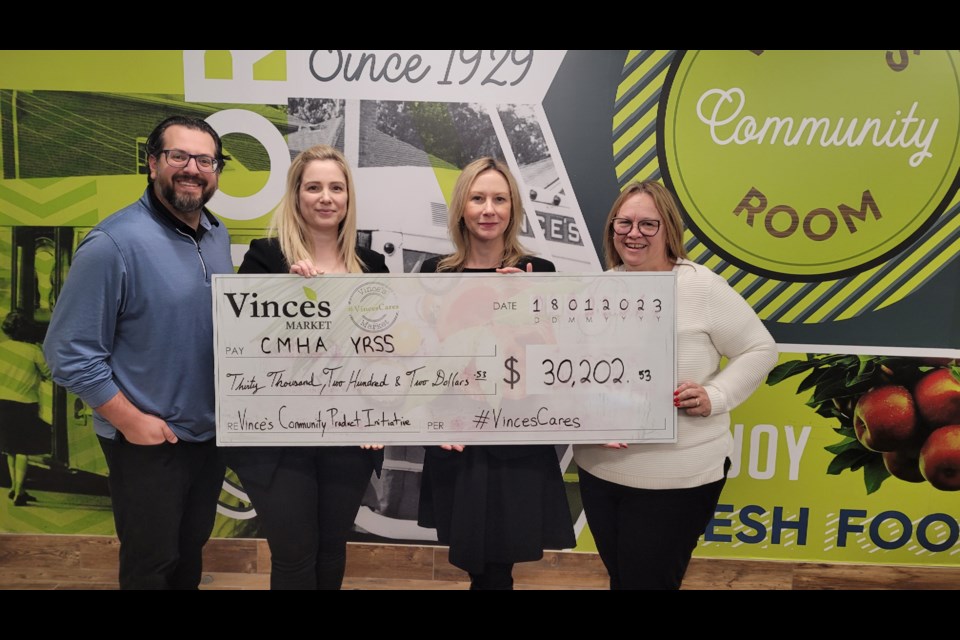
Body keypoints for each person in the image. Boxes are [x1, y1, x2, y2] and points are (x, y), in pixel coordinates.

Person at [43, 116, 233, 589]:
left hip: (207, 436)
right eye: (179, 157)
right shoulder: (113, 244)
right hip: (148, 441)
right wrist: (131, 421)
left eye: (205, 160)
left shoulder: (216, 234)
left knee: (189, 556)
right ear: (152, 164)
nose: (193, 169)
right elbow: (67, 351)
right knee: (151, 565)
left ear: (217, 171)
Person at [573, 180, 778, 590]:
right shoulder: (597, 289)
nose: (634, 233)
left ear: (669, 229)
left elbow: (760, 348)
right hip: (599, 470)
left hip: (676, 478)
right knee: (623, 579)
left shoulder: (700, 287)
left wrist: (715, 396)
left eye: (648, 224)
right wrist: (516, 296)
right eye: (624, 222)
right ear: (611, 228)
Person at [223, 144, 388, 590]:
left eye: (336, 187)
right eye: (313, 187)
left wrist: (380, 415)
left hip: (350, 437)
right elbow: (241, 350)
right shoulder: (265, 259)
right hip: (279, 441)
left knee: (333, 550)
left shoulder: (373, 268)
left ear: (349, 198)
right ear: (296, 195)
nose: (325, 197)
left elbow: (387, 357)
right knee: (294, 556)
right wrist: (284, 297)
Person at [417, 156, 575, 590]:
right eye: (478, 198)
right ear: (462, 208)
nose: (489, 209)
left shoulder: (537, 273)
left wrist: (530, 309)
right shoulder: (436, 274)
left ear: (513, 209)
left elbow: (555, 361)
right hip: (458, 436)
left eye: (500, 199)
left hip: (515, 438)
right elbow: (423, 360)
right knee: (474, 559)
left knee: (500, 562)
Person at [0, 311, 51, 506]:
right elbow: (49, 373)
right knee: (23, 450)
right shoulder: (34, 352)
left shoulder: (2, 349)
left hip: (3, 403)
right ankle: (20, 491)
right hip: (25, 404)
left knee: (10, 449)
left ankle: (15, 488)